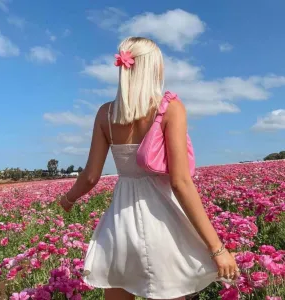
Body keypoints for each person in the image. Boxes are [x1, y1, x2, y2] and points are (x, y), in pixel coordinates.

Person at [58, 37, 239, 300]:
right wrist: (217, 248)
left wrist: (68, 198)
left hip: (120, 223)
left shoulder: (105, 114)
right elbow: (180, 182)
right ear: (154, 68)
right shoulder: (170, 109)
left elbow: (90, 176)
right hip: (163, 220)